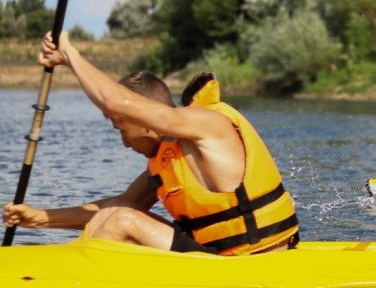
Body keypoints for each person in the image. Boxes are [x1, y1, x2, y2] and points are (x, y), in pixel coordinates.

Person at [3, 32, 298, 255]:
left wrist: (70, 54)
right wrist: (39, 218)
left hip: (253, 264)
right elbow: (114, 207)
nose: (123, 142)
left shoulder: (204, 124)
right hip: (219, 260)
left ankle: (69, 287)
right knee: (115, 214)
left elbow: (114, 102)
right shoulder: (167, 162)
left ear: (144, 117)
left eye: (120, 127)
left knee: (121, 221)